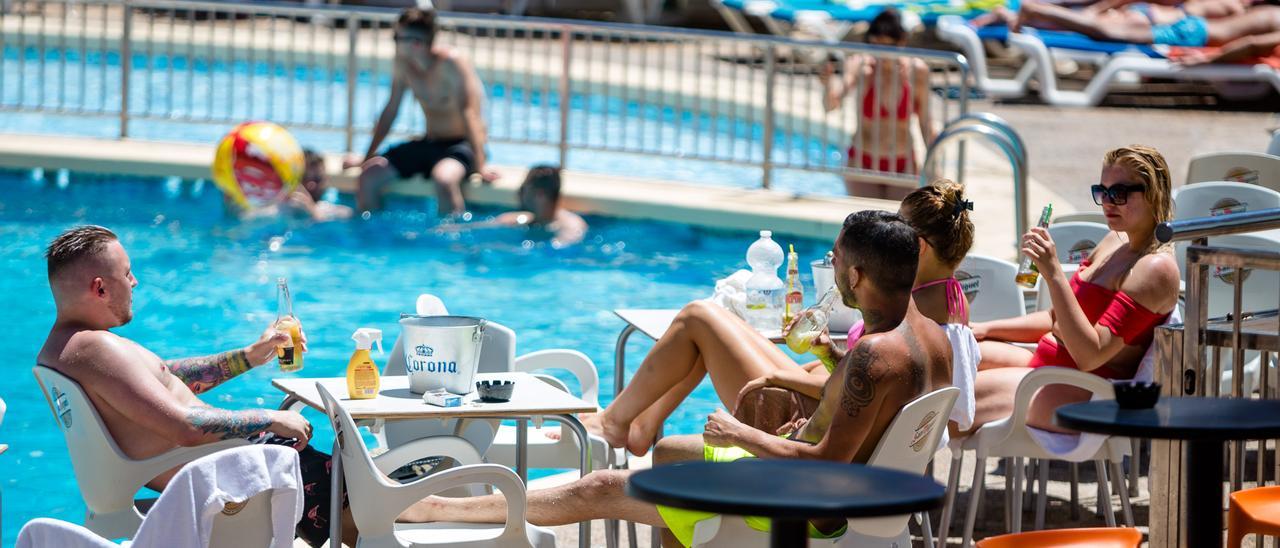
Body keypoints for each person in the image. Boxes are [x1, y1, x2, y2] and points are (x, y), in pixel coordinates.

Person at [396, 210, 953, 547]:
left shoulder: (874, 355)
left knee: (602, 488)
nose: (833, 271)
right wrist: (827, 386)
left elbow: (831, 461)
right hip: (854, 498)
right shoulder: (930, 336)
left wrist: (742, 436)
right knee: (666, 451)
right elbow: (875, 415)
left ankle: (436, 510)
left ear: (856, 274)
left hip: (806, 508)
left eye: (835, 262)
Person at [579, 180, 979, 455]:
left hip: (810, 419)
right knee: (712, 323)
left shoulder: (913, 310)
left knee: (700, 319)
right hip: (831, 405)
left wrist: (784, 377)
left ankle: (618, 422)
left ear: (919, 248)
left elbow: (860, 391)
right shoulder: (935, 302)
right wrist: (826, 355)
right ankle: (641, 424)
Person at [34, 225, 349, 547]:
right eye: (126, 274)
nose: (134, 282)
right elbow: (184, 427)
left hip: (227, 465)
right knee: (369, 494)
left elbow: (166, 377)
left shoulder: (70, 349)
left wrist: (249, 357)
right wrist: (270, 418)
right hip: (235, 475)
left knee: (363, 481)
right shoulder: (94, 348)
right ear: (100, 289)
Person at [969, 145, 1180, 433]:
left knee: (952, 398)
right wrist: (985, 328)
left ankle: (903, 476)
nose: (1107, 202)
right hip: (1051, 368)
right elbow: (1058, 318)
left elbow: (1091, 355)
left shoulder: (1155, 269)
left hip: (1086, 391)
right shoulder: (1115, 241)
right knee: (959, 356)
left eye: (1118, 192)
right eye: (1102, 191)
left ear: (1153, 193)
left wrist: (1053, 273)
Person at [345, 6, 498, 216]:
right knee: (370, 174)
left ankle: (451, 241)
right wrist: (367, 157)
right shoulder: (404, 65)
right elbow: (390, 111)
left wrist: (480, 165)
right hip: (430, 142)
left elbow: (469, 113)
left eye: (397, 37)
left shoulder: (451, 64)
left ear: (416, 44)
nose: (394, 43)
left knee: (444, 180)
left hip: (462, 145)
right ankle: (372, 237)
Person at [818, 8, 937, 200]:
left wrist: (935, 170)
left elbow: (925, 123)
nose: (879, 54)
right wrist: (827, 85)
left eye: (886, 47)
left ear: (902, 43)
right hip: (862, 162)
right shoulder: (861, 67)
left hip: (902, 164)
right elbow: (831, 105)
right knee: (865, 227)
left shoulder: (916, 71)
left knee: (899, 226)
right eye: (874, 46)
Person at [977, 0, 1280, 48]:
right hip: (1182, 29)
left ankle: (1015, 14)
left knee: (1087, 23)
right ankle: (1031, 10)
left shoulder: (1244, 7)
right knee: (1098, 28)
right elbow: (1252, 43)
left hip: (1157, 15)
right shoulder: (1238, 6)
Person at [491, 165, 587, 246]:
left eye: (523, 190)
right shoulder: (526, 218)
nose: (518, 195)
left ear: (539, 195)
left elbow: (560, 252)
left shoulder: (571, 226)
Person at [285, 149, 353, 221]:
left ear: (325, 179)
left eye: (317, 179)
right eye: (305, 178)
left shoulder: (334, 205)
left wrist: (311, 209)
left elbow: (348, 213)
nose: (311, 185)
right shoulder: (285, 205)